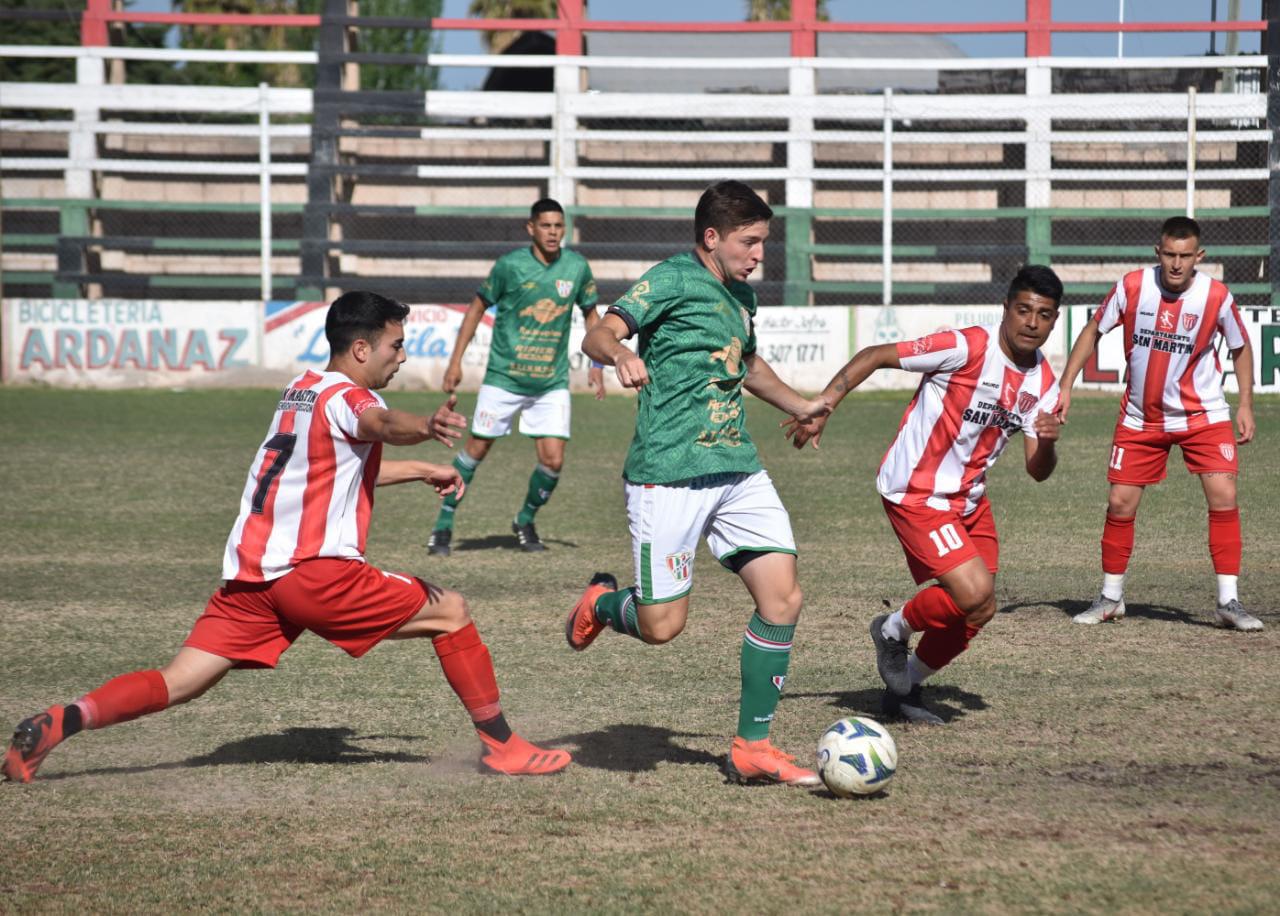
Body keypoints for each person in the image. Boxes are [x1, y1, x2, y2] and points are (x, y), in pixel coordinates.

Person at [3, 291, 572, 784]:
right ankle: (502, 747)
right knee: (451, 610)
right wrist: (423, 429)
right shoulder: (355, 399)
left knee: (180, 680)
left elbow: (335, 470)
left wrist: (424, 470)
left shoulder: (300, 392)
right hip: (315, 572)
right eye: (396, 346)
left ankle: (63, 719)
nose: (403, 356)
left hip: (254, 576)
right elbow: (378, 424)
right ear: (361, 349)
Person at [565, 180, 828, 787]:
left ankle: (751, 747)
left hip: (737, 469)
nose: (759, 254)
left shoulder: (742, 297)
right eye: (749, 241)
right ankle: (604, 604)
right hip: (668, 474)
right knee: (662, 627)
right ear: (711, 238)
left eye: (763, 242)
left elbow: (747, 363)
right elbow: (599, 333)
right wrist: (620, 355)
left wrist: (800, 405)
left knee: (783, 597)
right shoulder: (672, 279)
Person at [785, 266, 1065, 725]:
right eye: (1023, 310)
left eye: (1044, 315)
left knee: (980, 609)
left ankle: (906, 688)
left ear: (1054, 322)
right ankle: (892, 630)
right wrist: (824, 406)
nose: (1031, 322)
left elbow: (1038, 471)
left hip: (969, 501)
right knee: (974, 592)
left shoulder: (1043, 384)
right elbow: (876, 354)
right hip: (916, 491)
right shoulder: (966, 347)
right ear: (1006, 309)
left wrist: (1049, 441)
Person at [1057, 216, 1260, 631]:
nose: (1177, 264)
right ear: (1158, 252)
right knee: (1120, 503)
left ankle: (1228, 602)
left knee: (1223, 494)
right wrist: (1066, 385)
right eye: (1170, 254)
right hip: (1141, 417)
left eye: (1186, 256)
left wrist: (1245, 404)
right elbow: (1094, 330)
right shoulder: (1132, 286)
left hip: (1203, 415)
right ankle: (1111, 597)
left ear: (1199, 256)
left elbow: (1240, 348)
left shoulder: (1216, 296)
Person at [427, 198, 603, 557]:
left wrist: (598, 365)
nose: (553, 232)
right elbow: (477, 308)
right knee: (477, 450)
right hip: (504, 378)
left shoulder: (576, 268)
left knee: (553, 460)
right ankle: (443, 524)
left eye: (558, 226)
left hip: (550, 383)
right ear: (531, 228)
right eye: (546, 226)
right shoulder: (509, 266)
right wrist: (455, 362)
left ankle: (524, 519)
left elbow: (592, 315)